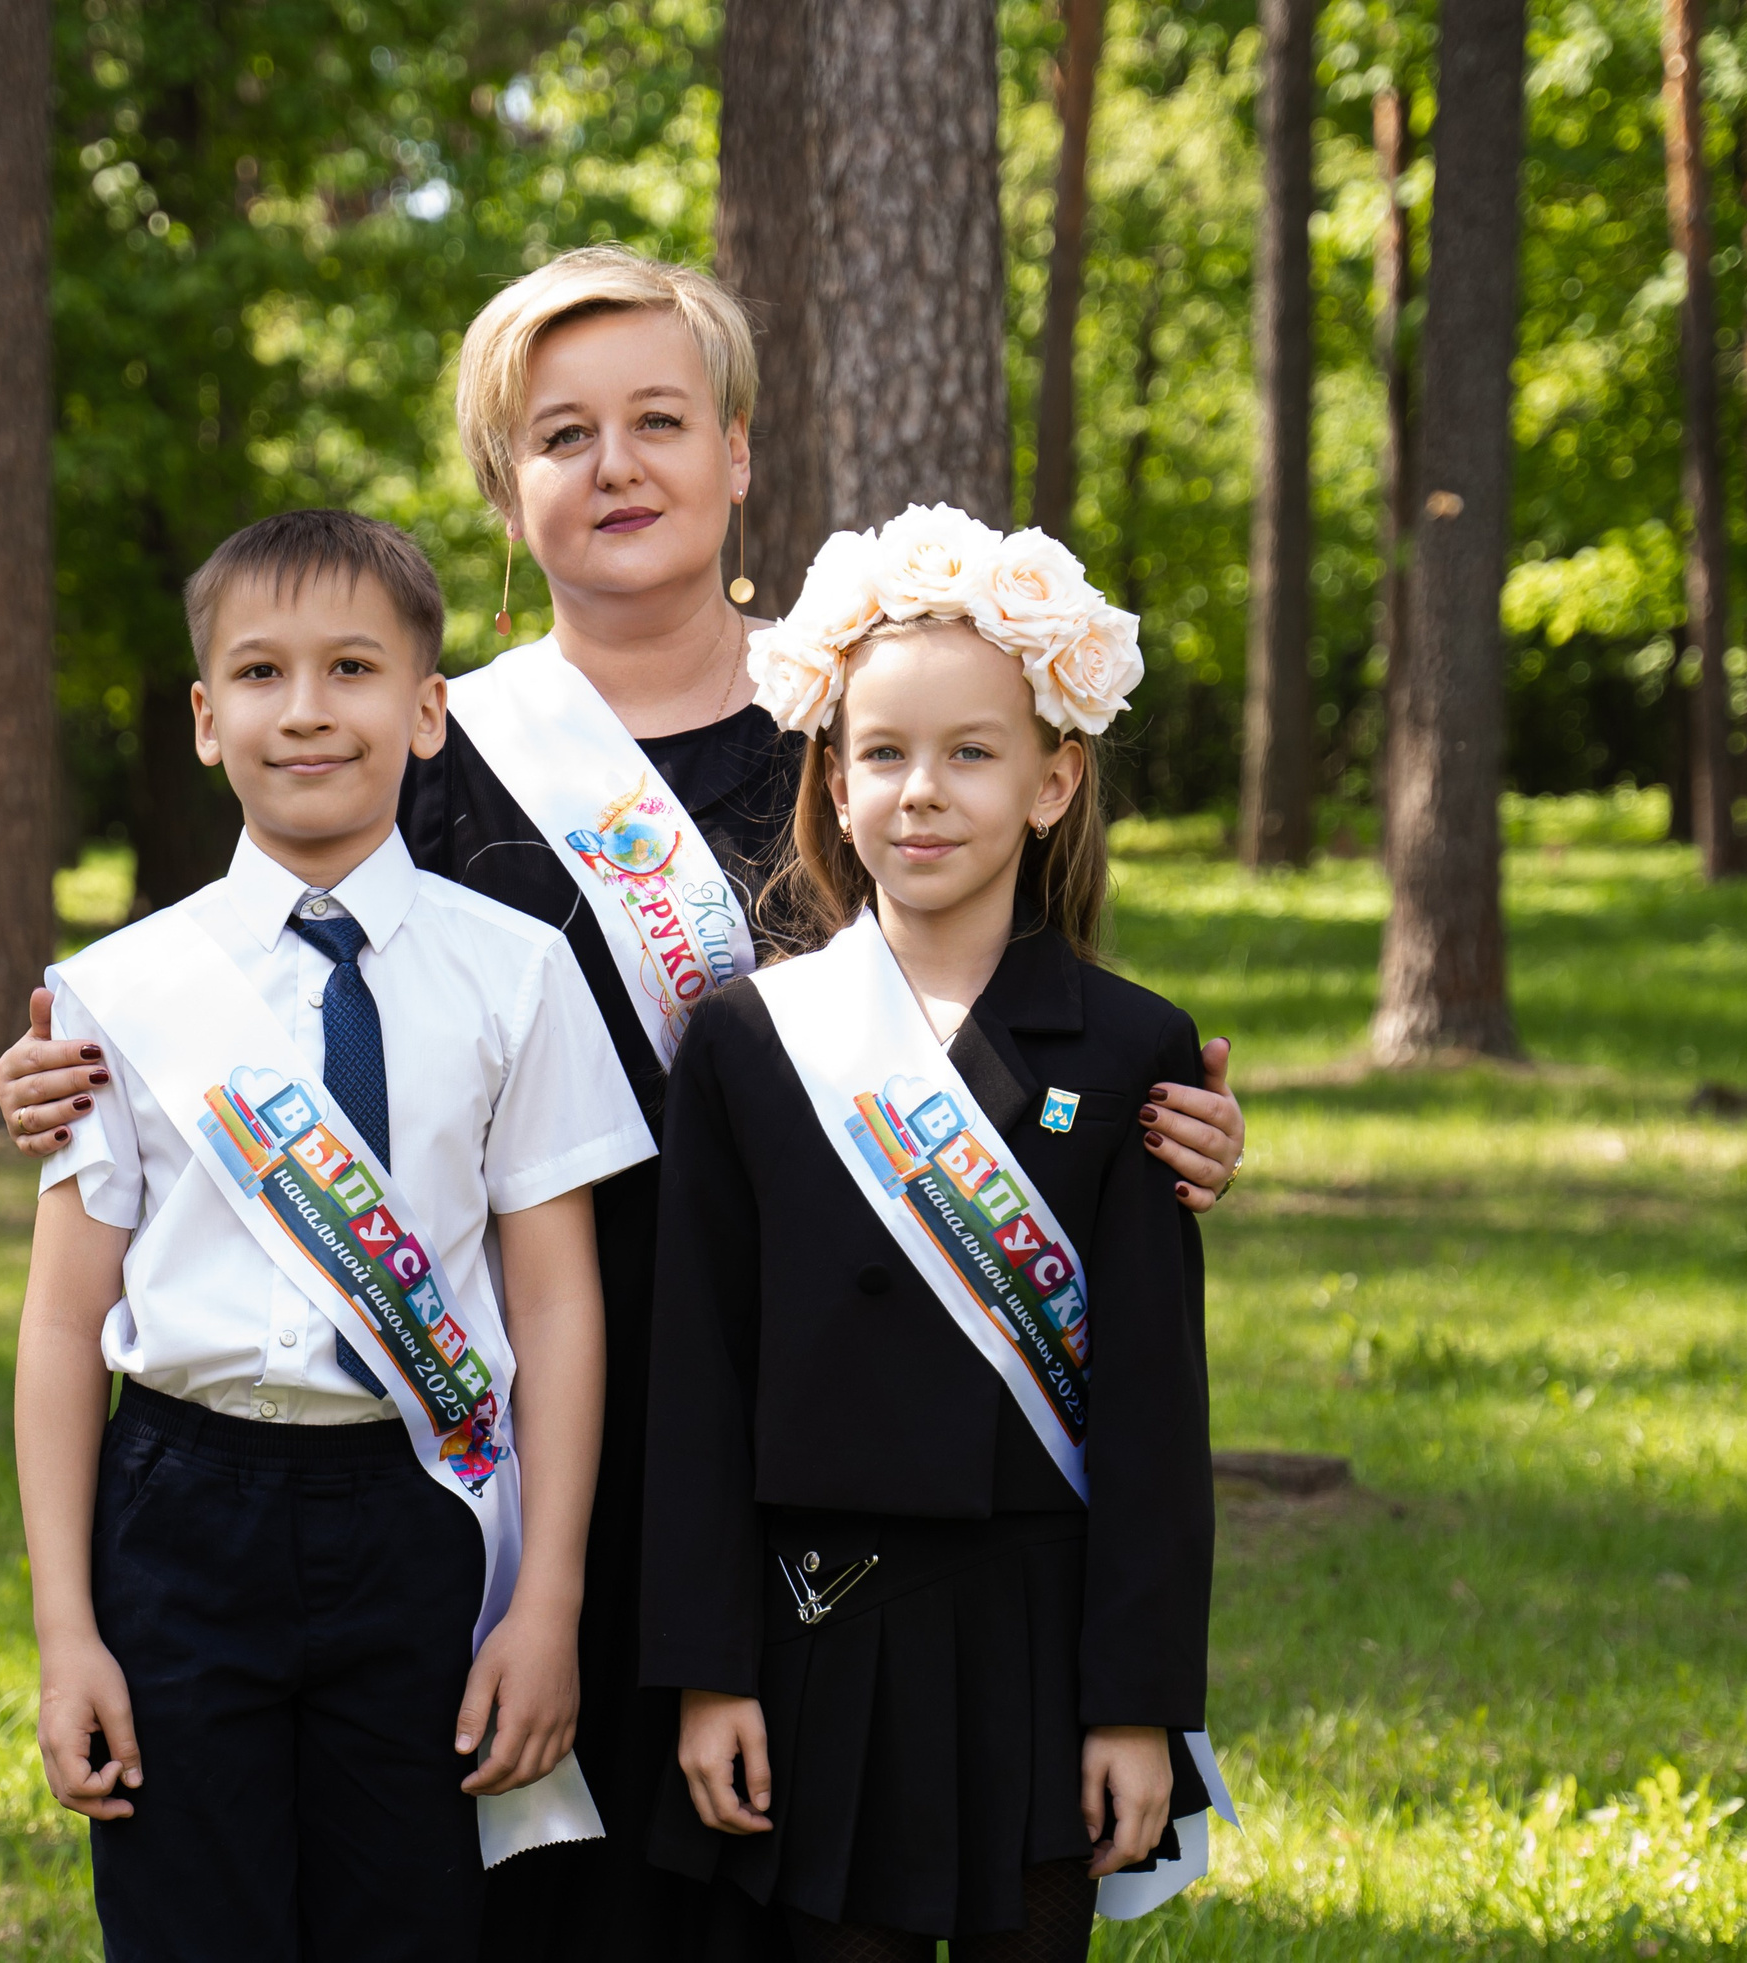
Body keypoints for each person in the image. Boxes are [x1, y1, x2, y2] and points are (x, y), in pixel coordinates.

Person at [0, 247, 1249, 1957]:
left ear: (739, 453)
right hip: (510, 1428)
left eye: (660, 420)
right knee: (519, 1885)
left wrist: (1173, 1127)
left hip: (807, 1429)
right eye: (560, 434)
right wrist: (71, 1076)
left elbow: (1024, 1033)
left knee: (769, 1889)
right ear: (508, 493)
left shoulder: (864, 725)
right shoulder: (440, 750)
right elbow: (277, 996)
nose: (617, 467)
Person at [12, 509, 654, 1963]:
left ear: (428, 712)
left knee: (414, 1923)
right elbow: (61, 1326)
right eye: (260, 673)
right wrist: (69, 1635)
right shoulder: (122, 990)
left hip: (419, 1515)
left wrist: (545, 1599)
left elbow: (557, 1307)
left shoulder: (518, 974)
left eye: (354, 667)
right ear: (202, 716)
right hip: (180, 1513)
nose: (306, 710)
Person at [644, 505, 1221, 1962]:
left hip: (1040, 1633)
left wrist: (1138, 1703)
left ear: (1052, 782)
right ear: (833, 785)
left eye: (972, 753)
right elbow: (696, 1384)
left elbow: (1157, 1407)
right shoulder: (750, 1043)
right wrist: (709, 1675)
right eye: (884, 754)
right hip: (815, 1630)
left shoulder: (1130, 1042)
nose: (923, 792)